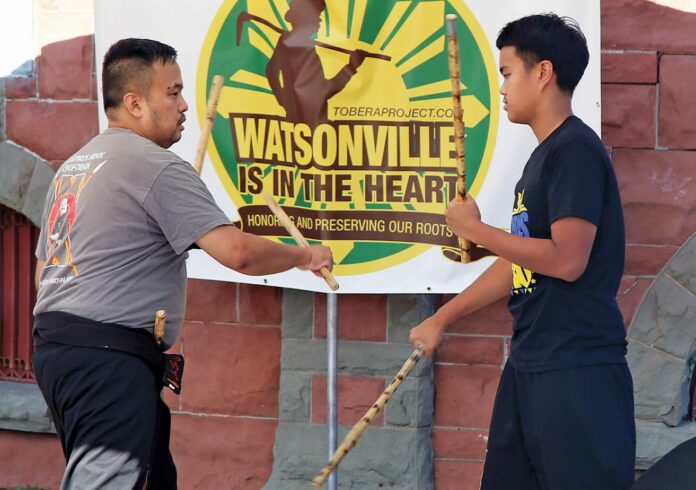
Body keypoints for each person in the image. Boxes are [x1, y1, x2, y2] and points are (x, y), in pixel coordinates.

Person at [32, 38, 333, 489]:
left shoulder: (75, 166)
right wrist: (304, 255)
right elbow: (239, 252)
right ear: (134, 102)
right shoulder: (157, 166)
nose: (185, 105)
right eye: (172, 93)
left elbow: (44, 275)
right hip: (107, 360)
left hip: (61, 352)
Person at [409, 14, 635, 490]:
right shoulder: (542, 158)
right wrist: (442, 319)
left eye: (507, 73)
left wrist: (476, 229)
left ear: (543, 72)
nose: (502, 88)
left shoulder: (575, 150)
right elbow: (521, 265)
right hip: (532, 364)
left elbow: (567, 260)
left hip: (577, 370)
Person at [265, 0, 367, 127]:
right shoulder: (291, 45)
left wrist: (284, 100)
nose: (320, 21)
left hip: (308, 123)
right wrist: (353, 65)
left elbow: (325, 90)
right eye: (317, 16)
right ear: (303, 18)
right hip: (308, 125)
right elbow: (327, 89)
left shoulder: (291, 43)